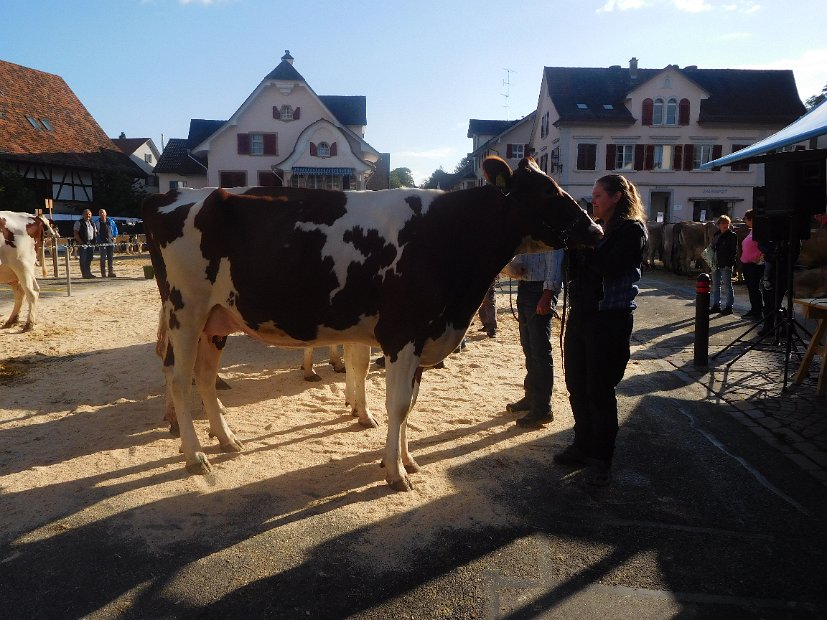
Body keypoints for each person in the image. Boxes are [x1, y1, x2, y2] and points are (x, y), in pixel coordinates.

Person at [556, 174, 647, 486]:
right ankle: (582, 445)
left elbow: (607, 265)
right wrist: (573, 248)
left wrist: (583, 245)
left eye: (598, 195)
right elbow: (575, 271)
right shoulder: (599, 229)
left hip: (610, 318)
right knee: (576, 383)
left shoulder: (631, 230)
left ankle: (601, 457)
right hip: (583, 314)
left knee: (599, 389)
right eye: (593, 196)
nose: (593, 200)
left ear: (616, 197)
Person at [503, 248, 564, 429]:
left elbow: (555, 260)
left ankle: (543, 408)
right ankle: (531, 398)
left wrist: (547, 294)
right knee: (529, 347)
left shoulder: (550, 229)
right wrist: (514, 268)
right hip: (526, 286)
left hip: (540, 289)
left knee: (540, 351)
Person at [708, 215, 738, 316]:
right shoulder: (716, 235)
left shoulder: (732, 235)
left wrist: (729, 263)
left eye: (726, 223)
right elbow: (711, 247)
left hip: (725, 264)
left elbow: (734, 251)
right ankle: (716, 305)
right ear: (719, 225)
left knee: (727, 286)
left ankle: (729, 307)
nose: (725, 225)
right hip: (715, 263)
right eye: (722, 223)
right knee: (715, 285)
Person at [739, 210, 763, 320]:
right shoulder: (752, 231)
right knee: (751, 288)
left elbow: (764, 247)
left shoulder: (759, 231)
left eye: (745, 219)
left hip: (755, 265)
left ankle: (757, 311)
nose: (744, 221)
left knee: (754, 288)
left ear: (751, 219)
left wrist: (759, 259)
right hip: (747, 264)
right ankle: (754, 309)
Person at [73, 209, 97, 279]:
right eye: (86, 214)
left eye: (89, 214)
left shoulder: (92, 223)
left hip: (91, 243)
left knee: (89, 258)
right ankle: (84, 274)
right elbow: (75, 232)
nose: (88, 215)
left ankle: (88, 273)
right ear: (83, 215)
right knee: (83, 259)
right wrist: (80, 241)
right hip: (83, 243)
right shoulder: (79, 222)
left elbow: (95, 232)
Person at [97, 209, 118, 277]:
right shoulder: (97, 222)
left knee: (110, 258)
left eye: (103, 213)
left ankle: (110, 272)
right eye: (100, 213)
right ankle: (103, 273)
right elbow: (96, 233)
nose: (102, 214)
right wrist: (98, 240)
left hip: (110, 242)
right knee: (103, 258)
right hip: (102, 242)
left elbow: (115, 230)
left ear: (106, 214)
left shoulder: (111, 221)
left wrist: (114, 237)